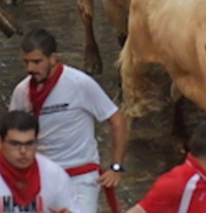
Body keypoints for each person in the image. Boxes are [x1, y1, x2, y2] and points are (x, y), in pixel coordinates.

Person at [8, 29, 127, 213]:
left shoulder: (79, 83)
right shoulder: (22, 91)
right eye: (26, 62)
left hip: (81, 178)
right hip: (40, 177)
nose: (30, 68)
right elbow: (9, 135)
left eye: (37, 62)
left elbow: (117, 119)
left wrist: (116, 167)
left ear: (53, 58)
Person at [0, 110, 82, 213]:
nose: (23, 151)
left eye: (29, 144)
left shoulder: (54, 174)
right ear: (1, 142)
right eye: (15, 144)